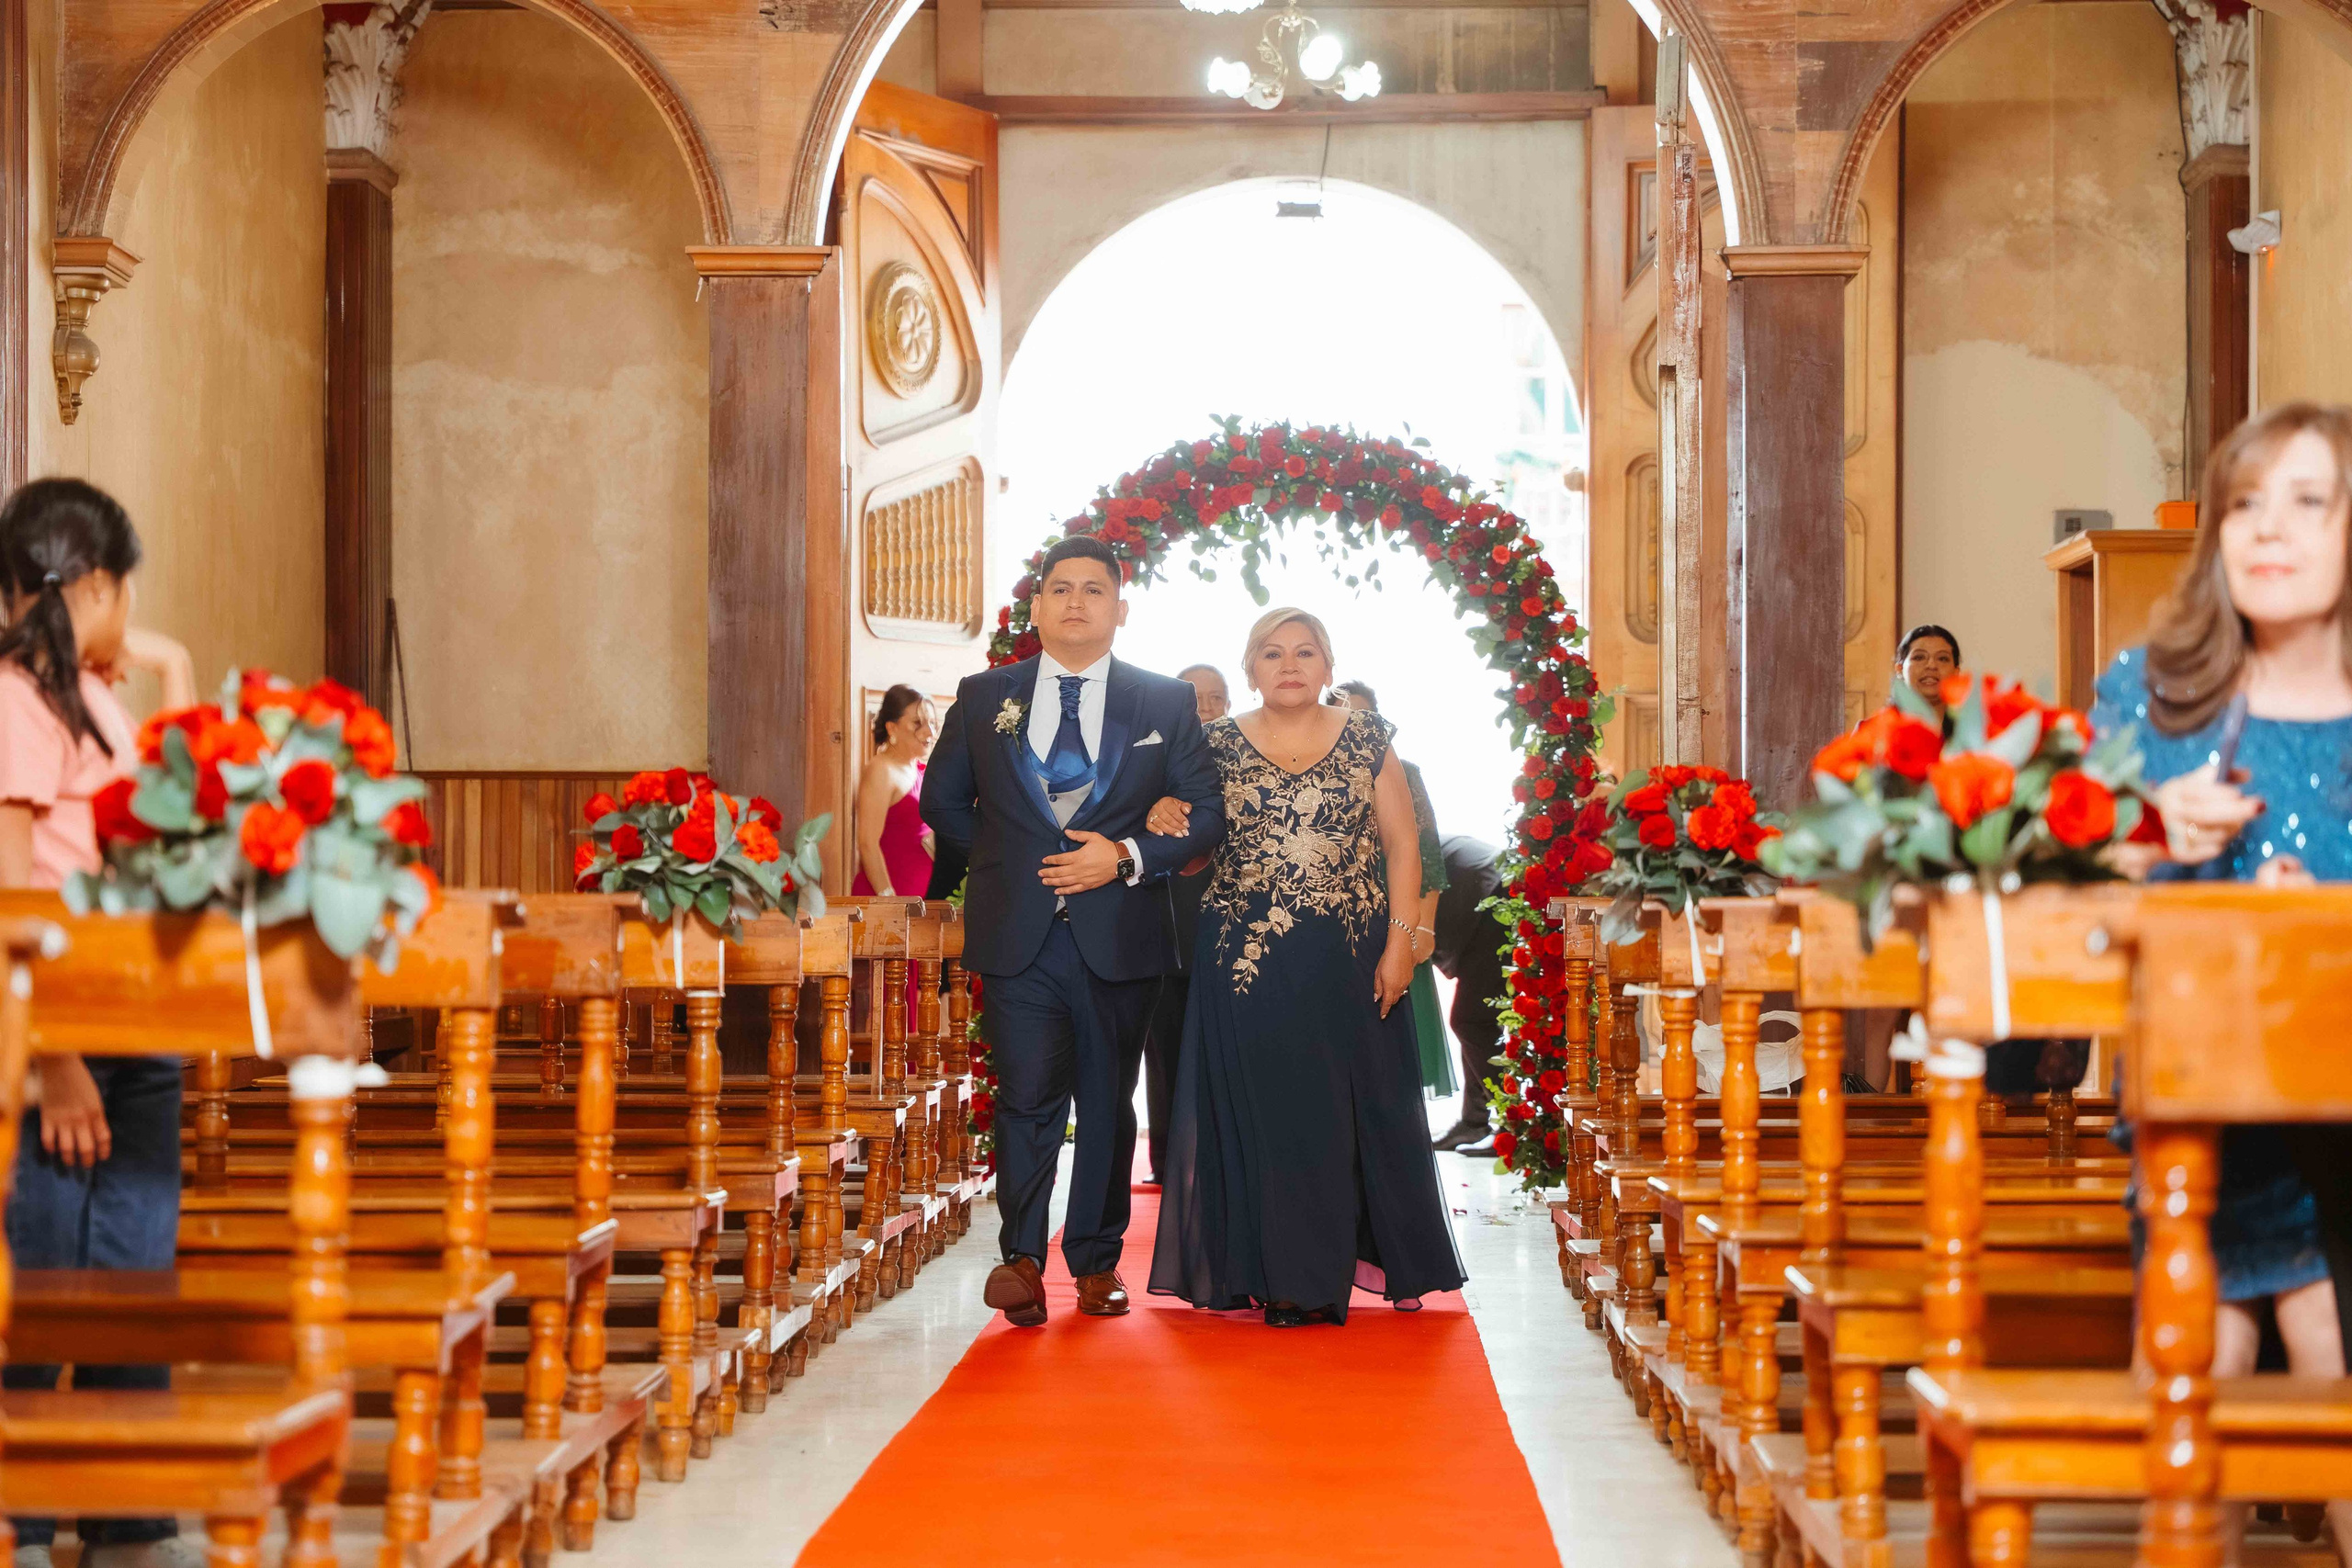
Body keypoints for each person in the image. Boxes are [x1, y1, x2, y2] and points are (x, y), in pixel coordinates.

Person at [2090, 401, 2352, 1558]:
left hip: (2346, 1137)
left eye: (2308, 501)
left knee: (2338, 1380)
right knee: (2199, 1387)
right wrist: (2143, 837)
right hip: (2200, 1131)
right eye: (2245, 502)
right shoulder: (2151, 701)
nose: (2267, 530)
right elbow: (2071, 896)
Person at [921, 536, 1226, 1327]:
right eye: (1060, 588)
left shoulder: (1163, 703)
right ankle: (1020, 1258)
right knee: (1025, 1099)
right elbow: (942, 804)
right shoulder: (986, 695)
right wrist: (1011, 855)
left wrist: (1124, 856)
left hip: (1120, 931)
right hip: (1021, 934)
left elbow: (1204, 812)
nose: (1076, 602)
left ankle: (1095, 1262)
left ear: (1119, 609)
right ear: (1038, 606)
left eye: (1094, 589)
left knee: (1107, 1098)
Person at [1147, 608, 1466, 1325]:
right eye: (1271, 653)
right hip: (1244, 962)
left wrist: (1400, 944)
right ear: (1250, 668)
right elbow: (1197, 855)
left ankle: (1323, 1271)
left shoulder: (1365, 736)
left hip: (1349, 957)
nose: (1288, 664)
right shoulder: (1214, 743)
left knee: (1338, 1116)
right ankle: (1283, 1275)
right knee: (1265, 1114)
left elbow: (1403, 845)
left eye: (1304, 651)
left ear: (1327, 665)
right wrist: (1170, 814)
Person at [0, 479, 198, 1568]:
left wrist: (164, 668)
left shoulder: (89, 695)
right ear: (98, 582)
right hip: (58, 1031)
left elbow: (172, 813)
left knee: (132, 1270)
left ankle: (130, 1510)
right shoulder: (19, 702)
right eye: (127, 584)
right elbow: (10, 890)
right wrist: (55, 1062)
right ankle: (21, 1517)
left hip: (134, 1016)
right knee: (43, 1272)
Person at [1328, 680, 1453, 1100]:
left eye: (1361, 714)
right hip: (1336, 917)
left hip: (1396, 912)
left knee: (1392, 1049)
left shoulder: (1405, 771)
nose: (1352, 722)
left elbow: (1426, 853)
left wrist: (1425, 928)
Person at [1137, 662, 1229, 1184]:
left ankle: (1225, 1156)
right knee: (1165, 1048)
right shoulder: (1150, 758)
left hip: (1229, 926)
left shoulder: (1245, 756)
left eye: (1218, 698)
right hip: (1165, 922)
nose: (1208, 709)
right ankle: (1168, 1163)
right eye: (1197, 699)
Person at [1426, 835, 1510, 1152]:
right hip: (1490, 895)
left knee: (1471, 1021)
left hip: (1493, 899)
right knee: (1477, 1022)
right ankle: (1474, 1122)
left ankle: (1518, 1124)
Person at [851, 683, 935, 897]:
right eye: (918, 723)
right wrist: (889, 900)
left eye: (932, 723)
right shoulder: (881, 770)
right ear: (892, 728)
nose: (930, 732)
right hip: (889, 903)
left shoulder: (921, 770)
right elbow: (867, 843)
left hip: (922, 903)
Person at [1894, 624, 1962, 722]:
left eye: (1942, 659)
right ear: (1899, 669)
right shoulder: (1872, 731)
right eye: (1919, 657)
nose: (1931, 665)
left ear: (1956, 672)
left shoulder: (1973, 733)